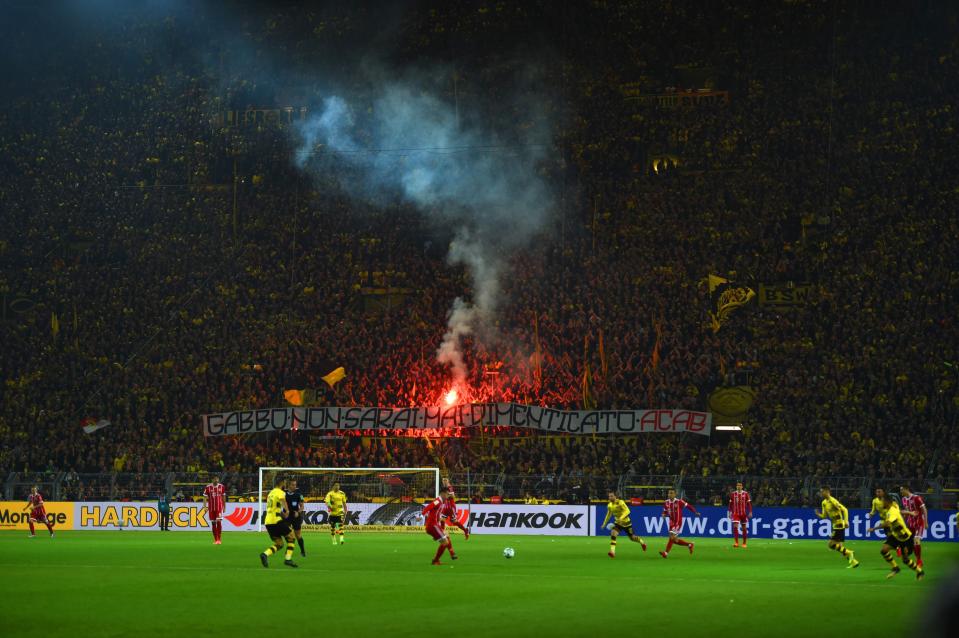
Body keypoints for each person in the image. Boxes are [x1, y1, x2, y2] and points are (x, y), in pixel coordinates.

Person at [866, 494, 924, 580]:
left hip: (905, 538)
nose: (881, 504)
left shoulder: (892, 511)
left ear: (887, 502)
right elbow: (900, 512)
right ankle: (895, 568)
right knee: (884, 550)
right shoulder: (892, 508)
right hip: (896, 536)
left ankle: (920, 571)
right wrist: (909, 513)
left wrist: (874, 528)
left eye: (883, 502)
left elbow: (888, 523)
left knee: (905, 560)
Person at [815, 486, 859, 568]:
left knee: (831, 545)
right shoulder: (824, 503)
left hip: (839, 525)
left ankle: (850, 552)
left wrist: (846, 521)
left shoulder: (833, 501)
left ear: (827, 491)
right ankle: (854, 562)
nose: (821, 493)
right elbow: (824, 516)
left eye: (822, 492)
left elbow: (845, 510)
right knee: (840, 547)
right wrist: (818, 514)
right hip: (835, 525)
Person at [259, 476, 298, 568]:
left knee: (279, 544)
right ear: (281, 483)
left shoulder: (271, 493)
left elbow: (275, 506)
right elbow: (282, 500)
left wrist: (281, 513)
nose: (285, 484)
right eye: (284, 483)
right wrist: (287, 511)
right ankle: (288, 559)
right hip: (276, 520)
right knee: (292, 537)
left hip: (268, 522)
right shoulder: (280, 492)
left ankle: (265, 554)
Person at [602, 490, 647, 558]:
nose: (610, 497)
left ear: (615, 496)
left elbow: (627, 511)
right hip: (618, 523)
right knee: (613, 533)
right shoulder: (609, 505)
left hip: (626, 523)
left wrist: (621, 518)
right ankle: (612, 552)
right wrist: (604, 523)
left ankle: (642, 543)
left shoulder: (620, 502)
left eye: (611, 496)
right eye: (609, 496)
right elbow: (608, 515)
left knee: (632, 538)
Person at [659, 488, 699, 558]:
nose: (670, 494)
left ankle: (665, 553)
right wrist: (663, 514)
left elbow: (688, 506)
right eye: (669, 493)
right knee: (674, 540)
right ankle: (689, 545)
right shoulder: (666, 502)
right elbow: (665, 511)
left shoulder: (679, 502)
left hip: (677, 522)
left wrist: (695, 512)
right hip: (671, 522)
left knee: (671, 537)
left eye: (671, 493)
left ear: (675, 494)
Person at [423, 486, 452, 565]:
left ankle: (450, 554)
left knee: (446, 534)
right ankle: (435, 560)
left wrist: (440, 518)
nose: (447, 496)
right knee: (445, 542)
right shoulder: (437, 501)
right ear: (442, 493)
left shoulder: (442, 502)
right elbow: (427, 508)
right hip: (432, 525)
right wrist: (420, 516)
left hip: (435, 524)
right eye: (447, 494)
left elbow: (435, 513)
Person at [900, 485, 928, 568]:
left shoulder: (917, 498)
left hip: (919, 523)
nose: (901, 492)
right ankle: (902, 550)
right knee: (904, 540)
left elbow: (924, 510)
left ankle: (919, 560)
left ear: (907, 489)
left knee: (916, 540)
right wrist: (902, 522)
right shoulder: (904, 499)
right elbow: (907, 512)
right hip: (910, 524)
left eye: (902, 490)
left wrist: (926, 522)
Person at [441, 478, 469, 542]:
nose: (444, 482)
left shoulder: (449, 487)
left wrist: (446, 495)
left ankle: (465, 530)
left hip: (450, 506)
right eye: (443, 481)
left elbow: (453, 496)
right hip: (446, 505)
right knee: (442, 519)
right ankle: (442, 534)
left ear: (448, 481)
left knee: (454, 521)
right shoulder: (444, 488)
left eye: (445, 481)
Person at [202, 475, 226, 545]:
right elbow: (204, 497)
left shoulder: (222, 487)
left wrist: (224, 507)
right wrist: (204, 506)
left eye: (217, 478)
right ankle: (215, 539)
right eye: (214, 479)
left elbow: (224, 497)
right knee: (213, 523)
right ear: (212, 479)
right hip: (211, 508)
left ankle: (219, 539)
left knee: (218, 522)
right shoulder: (208, 487)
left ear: (218, 479)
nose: (216, 480)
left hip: (219, 508)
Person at [285, 478, 306, 557]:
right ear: (289, 485)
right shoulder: (284, 494)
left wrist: (298, 512)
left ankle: (303, 551)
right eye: (293, 485)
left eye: (295, 485)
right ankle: (289, 549)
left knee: (298, 535)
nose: (294, 486)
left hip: (295, 516)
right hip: (287, 516)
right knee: (287, 534)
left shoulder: (298, 494)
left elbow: (302, 506)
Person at [728, 481, 752, 548]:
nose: (739, 486)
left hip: (743, 514)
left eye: (740, 485)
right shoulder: (733, 494)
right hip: (735, 513)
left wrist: (750, 512)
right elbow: (730, 504)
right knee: (735, 526)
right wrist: (729, 512)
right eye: (738, 485)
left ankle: (744, 543)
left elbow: (749, 504)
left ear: (742, 486)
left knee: (744, 528)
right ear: (736, 486)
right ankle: (736, 543)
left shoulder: (746, 494)